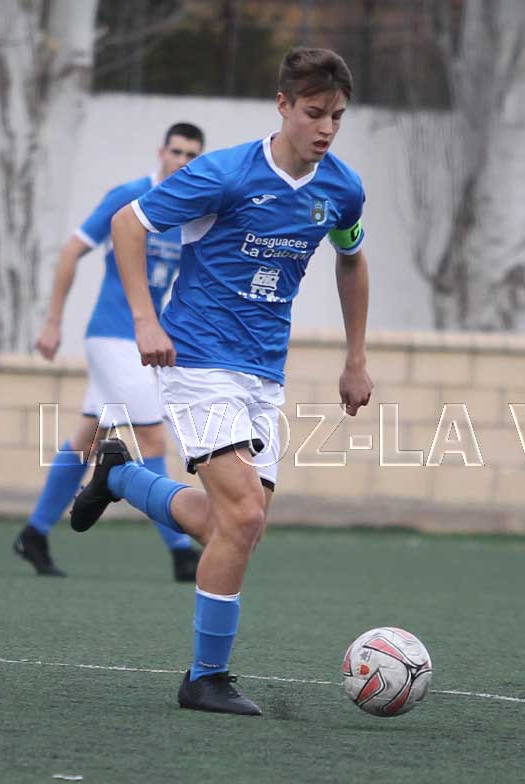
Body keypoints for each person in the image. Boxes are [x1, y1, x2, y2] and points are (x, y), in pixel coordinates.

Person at [71, 48, 372, 715]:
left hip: (264, 374)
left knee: (230, 529)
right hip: (198, 364)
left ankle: (120, 477)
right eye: (314, 113)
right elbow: (128, 224)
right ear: (283, 105)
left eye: (337, 116)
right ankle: (205, 678)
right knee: (245, 515)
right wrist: (146, 321)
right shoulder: (224, 174)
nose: (326, 128)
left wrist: (356, 357)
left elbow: (351, 260)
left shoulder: (342, 189)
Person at [14, 123, 206, 582]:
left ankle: (34, 534)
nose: (181, 161)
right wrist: (53, 321)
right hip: (112, 338)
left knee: (86, 438)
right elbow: (70, 251)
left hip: (141, 343)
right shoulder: (130, 196)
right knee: (153, 440)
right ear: (161, 151)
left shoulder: (192, 210)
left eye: (191, 156)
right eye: (176, 151)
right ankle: (182, 552)